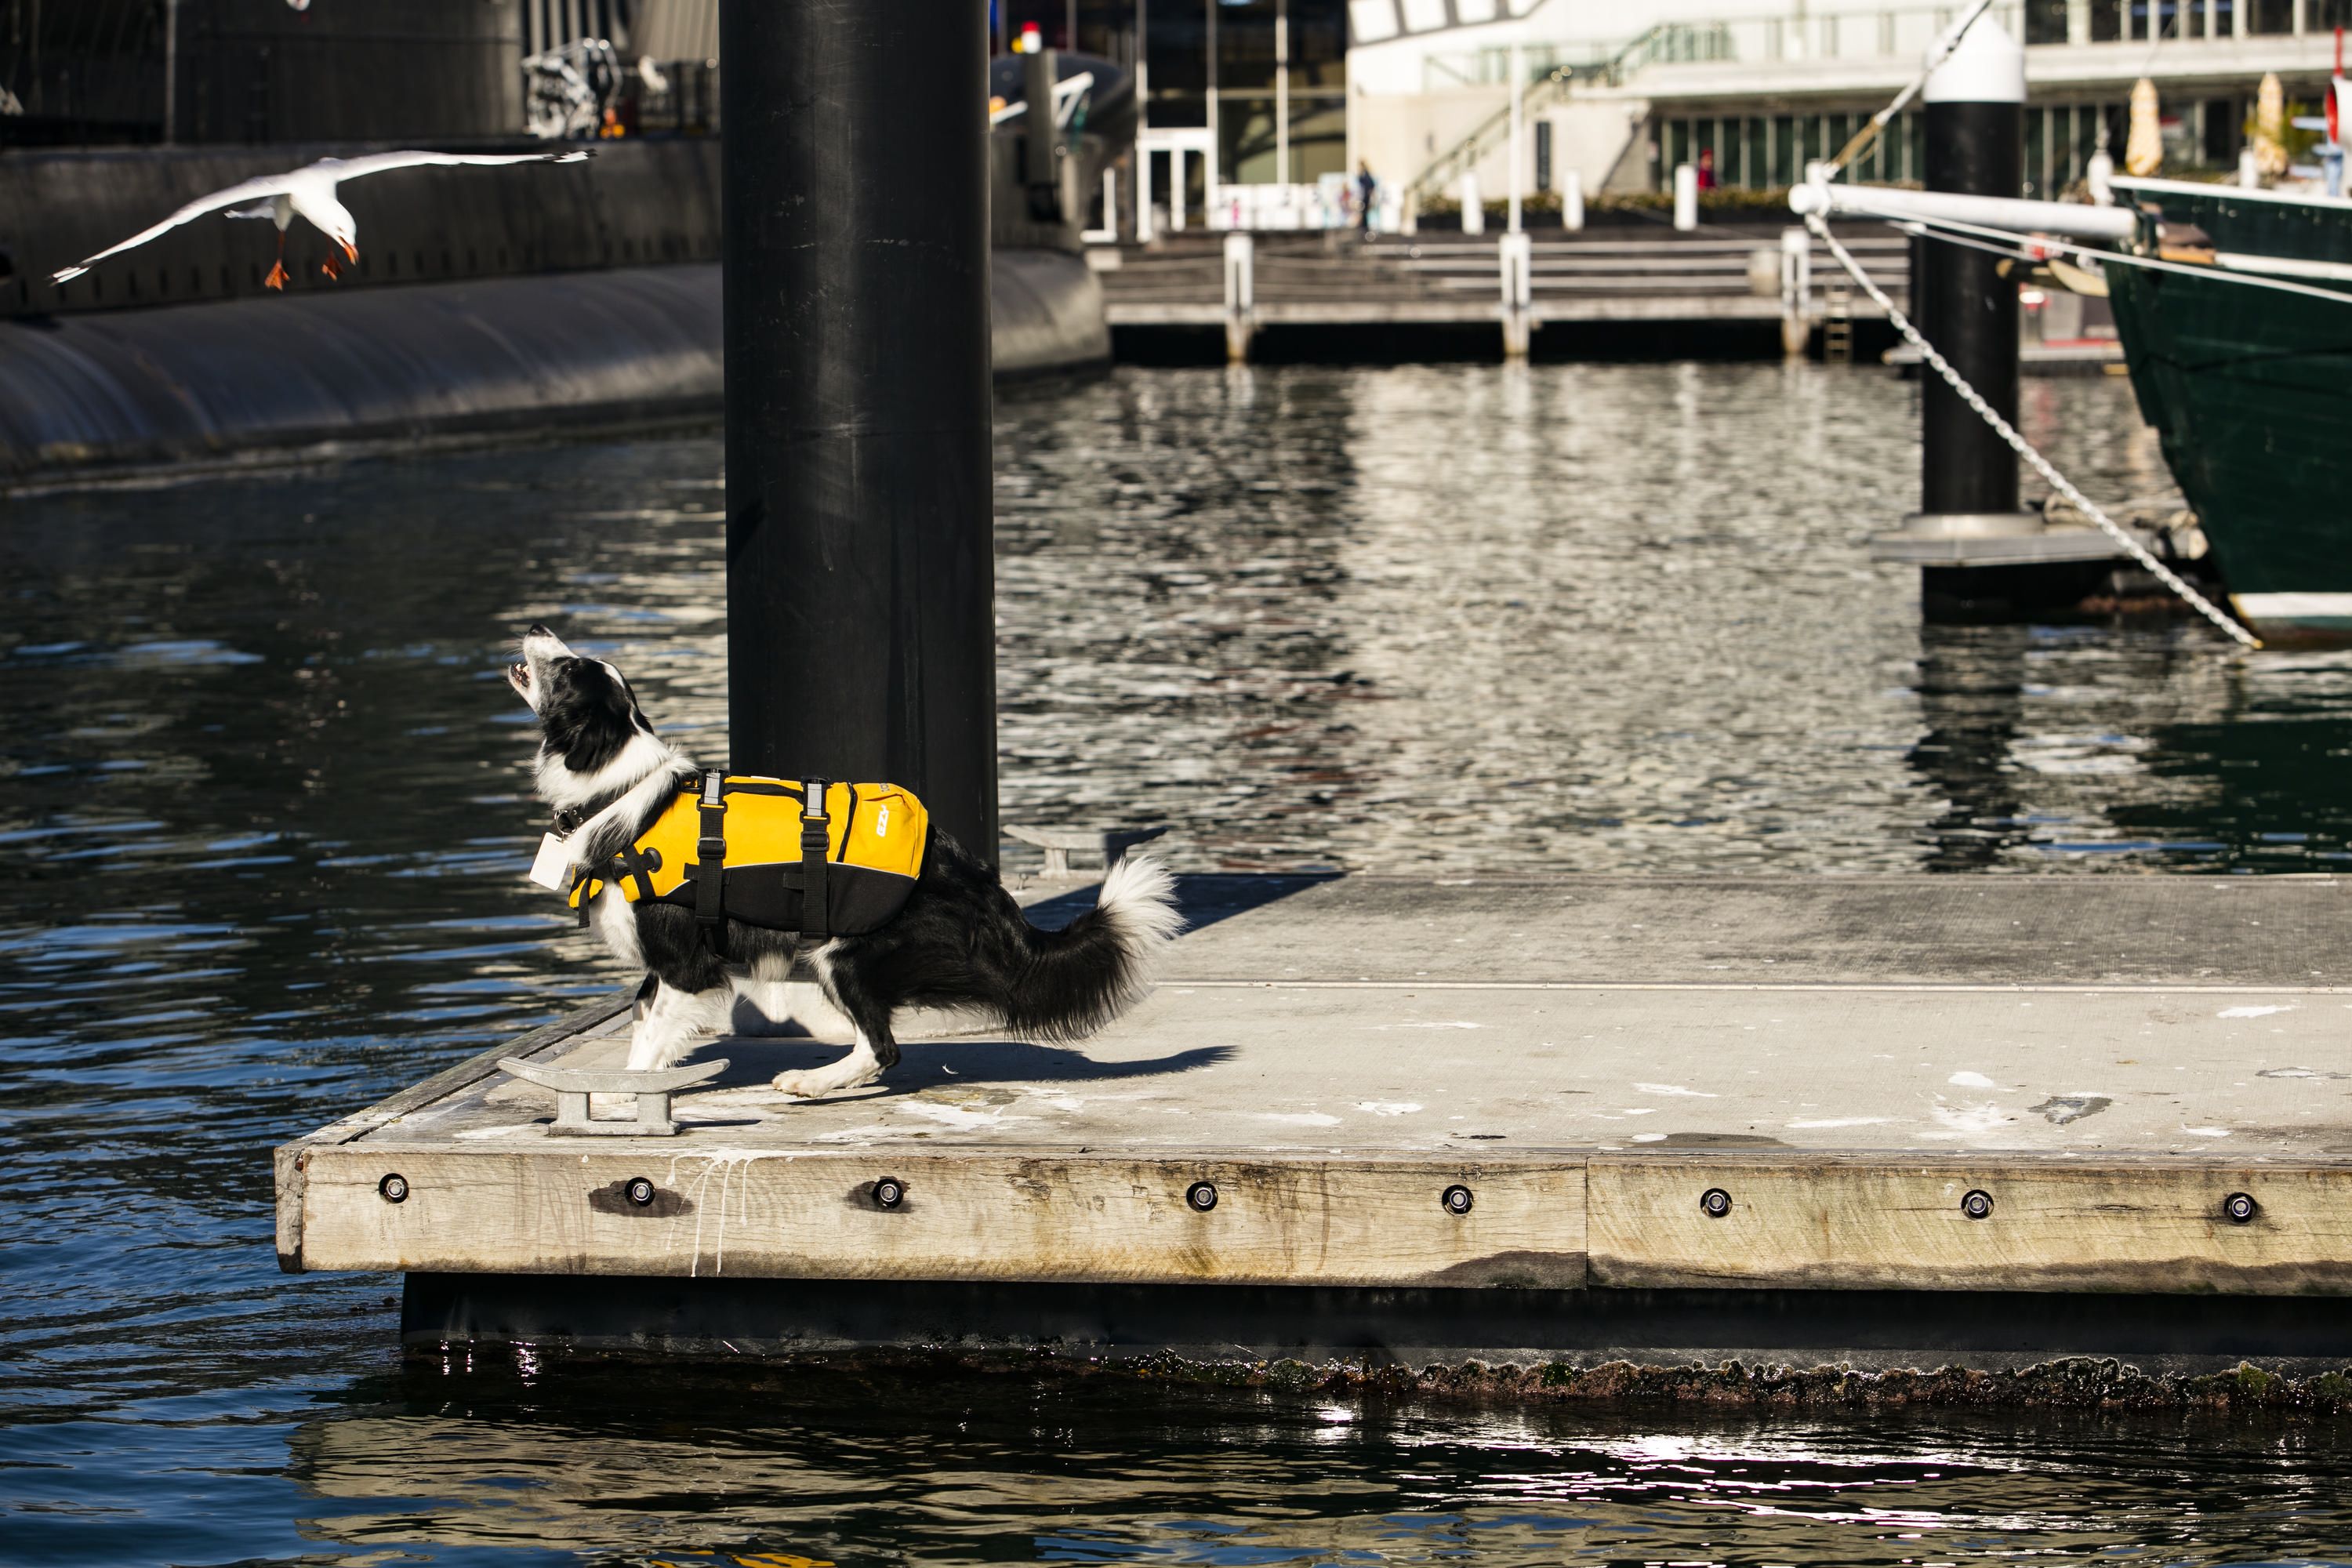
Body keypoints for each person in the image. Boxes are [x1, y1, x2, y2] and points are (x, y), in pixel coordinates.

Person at [1355, 159, 1377, 237]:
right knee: (1363, 212)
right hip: (1363, 196)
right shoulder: (1363, 174)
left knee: (1364, 213)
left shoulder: (1365, 174)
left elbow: (1371, 185)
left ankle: (1364, 228)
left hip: (1365, 197)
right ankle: (1363, 227)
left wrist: (1370, 195)